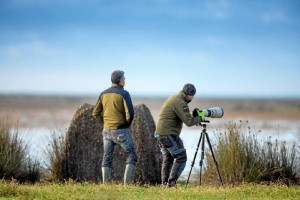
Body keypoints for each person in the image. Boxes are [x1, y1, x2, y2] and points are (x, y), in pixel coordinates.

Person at [92, 70, 138, 185]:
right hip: (121, 130)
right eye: (124, 79)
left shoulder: (103, 94)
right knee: (131, 155)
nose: (125, 81)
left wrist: (105, 122)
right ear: (121, 80)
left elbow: (95, 113)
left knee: (107, 158)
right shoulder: (124, 94)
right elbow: (130, 114)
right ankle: (127, 186)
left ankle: (106, 185)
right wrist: (126, 125)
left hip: (106, 131)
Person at [154, 83, 202, 187]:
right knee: (181, 157)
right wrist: (201, 117)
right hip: (168, 134)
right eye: (193, 96)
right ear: (190, 95)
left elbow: (182, 117)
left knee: (168, 159)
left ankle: (164, 184)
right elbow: (189, 122)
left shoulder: (173, 98)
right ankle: (171, 184)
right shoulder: (181, 102)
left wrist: (193, 116)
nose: (192, 98)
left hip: (160, 134)